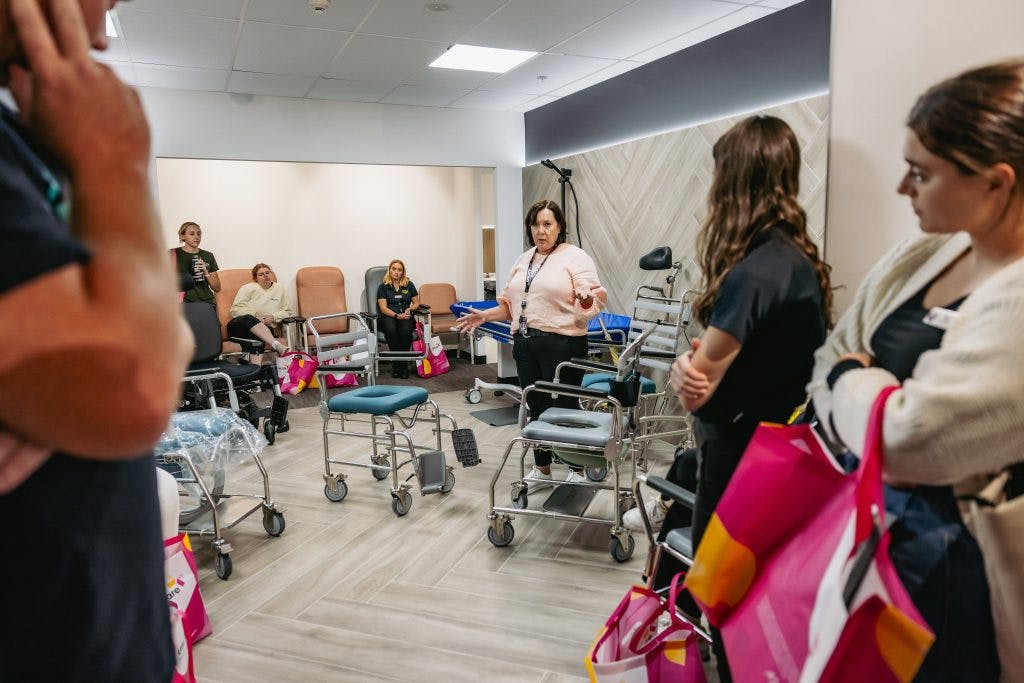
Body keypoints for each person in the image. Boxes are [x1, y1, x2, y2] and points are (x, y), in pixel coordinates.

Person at [809, 60, 1024, 682]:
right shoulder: (926, 253)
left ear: (996, 183)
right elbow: (830, 353)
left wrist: (855, 381)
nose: (904, 188)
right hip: (872, 528)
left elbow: (912, 439)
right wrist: (867, 391)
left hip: (957, 573)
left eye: (921, 173)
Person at [0, 0, 193, 679]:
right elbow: (136, 382)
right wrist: (116, 159)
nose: (108, 23)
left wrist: (130, 340)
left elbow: (163, 344)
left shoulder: (24, 144)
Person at [668, 115, 833, 681]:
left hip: (740, 462)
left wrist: (682, 368)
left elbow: (697, 386)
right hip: (782, 454)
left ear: (735, 182)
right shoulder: (794, 259)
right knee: (759, 606)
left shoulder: (755, 271)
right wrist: (702, 364)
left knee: (728, 604)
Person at [456, 199, 607, 489]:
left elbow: (593, 304)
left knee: (565, 406)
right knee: (534, 405)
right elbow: (510, 304)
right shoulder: (524, 260)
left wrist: (586, 297)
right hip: (525, 343)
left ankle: (575, 471)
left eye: (547, 224)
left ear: (559, 227)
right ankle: (543, 469)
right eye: (536, 224)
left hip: (563, 344)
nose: (541, 230)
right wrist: (485, 316)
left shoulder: (575, 257)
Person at [228, 262, 293, 356]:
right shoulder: (247, 288)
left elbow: (288, 311)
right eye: (261, 274)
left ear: (271, 274)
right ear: (255, 278)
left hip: (265, 329)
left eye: (267, 273)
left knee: (257, 337)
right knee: (249, 318)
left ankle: (255, 369)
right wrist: (255, 314)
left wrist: (274, 317)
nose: (265, 276)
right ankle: (276, 344)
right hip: (239, 325)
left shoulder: (280, 288)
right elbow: (235, 310)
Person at [376, 258, 419, 378]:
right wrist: (396, 315)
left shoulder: (409, 284)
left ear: (403, 272)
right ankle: (398, 365)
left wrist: (410, 309)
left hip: (405, 316)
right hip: (388, 316)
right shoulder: (383, 287)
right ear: (389, 270)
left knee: (405, 331)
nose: (396, 272)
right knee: (391, 330)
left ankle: (402, 367)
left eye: (399, 270)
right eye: (394, 269)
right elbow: (383, 308)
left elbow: (416, 303)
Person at [172, 219, 221, 305]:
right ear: (182, 236)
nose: (196, 237)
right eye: (192, 234)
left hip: (206, 302)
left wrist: (205, 271)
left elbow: (217, 288)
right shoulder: (173, 254)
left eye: (199, 234)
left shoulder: (208, 255)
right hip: (182, 303)